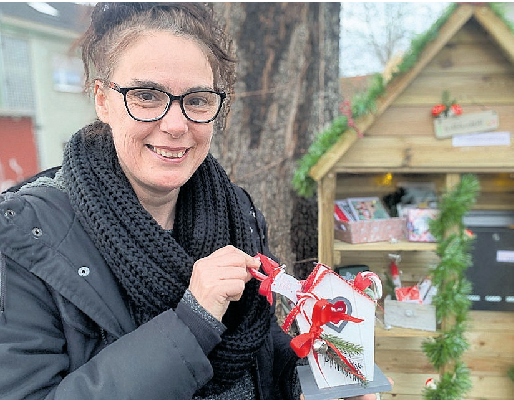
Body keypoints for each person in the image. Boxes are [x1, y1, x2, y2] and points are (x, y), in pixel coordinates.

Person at [0, 3, 388, 400]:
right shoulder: (27, 237)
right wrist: (193, 322)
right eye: (147, 95)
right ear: (103, 100)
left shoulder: (238, 214)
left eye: (198, 100)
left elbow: (262, 353)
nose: (175, 124)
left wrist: (317, 384)